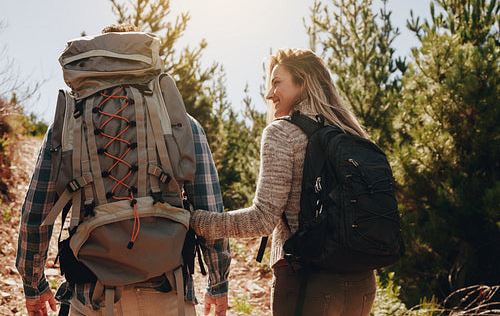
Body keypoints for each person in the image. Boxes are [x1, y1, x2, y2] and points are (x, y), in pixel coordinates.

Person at [16, 24, 230, 316]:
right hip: (168, 290)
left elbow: (36, 212)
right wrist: (218, 283)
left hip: (91, 294)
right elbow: (210, 208)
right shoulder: (179, 122)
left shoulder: (67, 125)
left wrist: (33, 282)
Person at [190, 48, 377, 316]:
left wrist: (197, 221)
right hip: (362, 283)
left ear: (303, 82)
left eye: (277, 82)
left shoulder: (282, 132)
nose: (269, 95)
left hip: (307, 282)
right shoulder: (350, 132)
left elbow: (262, 219)